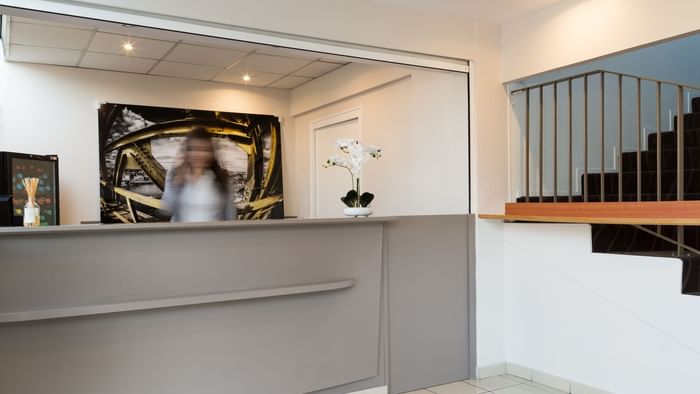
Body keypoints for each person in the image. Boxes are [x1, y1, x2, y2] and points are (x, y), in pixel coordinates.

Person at [161, 127, 236, 222]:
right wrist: (175, 185)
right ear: (187, 152)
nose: (199, 154)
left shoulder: (221, 178)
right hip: (181, 236)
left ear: (212, 153)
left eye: (205, 150)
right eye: (194, 149)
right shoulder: (175, 173)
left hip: (213, 236)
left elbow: (230, 216)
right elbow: (166, 210)